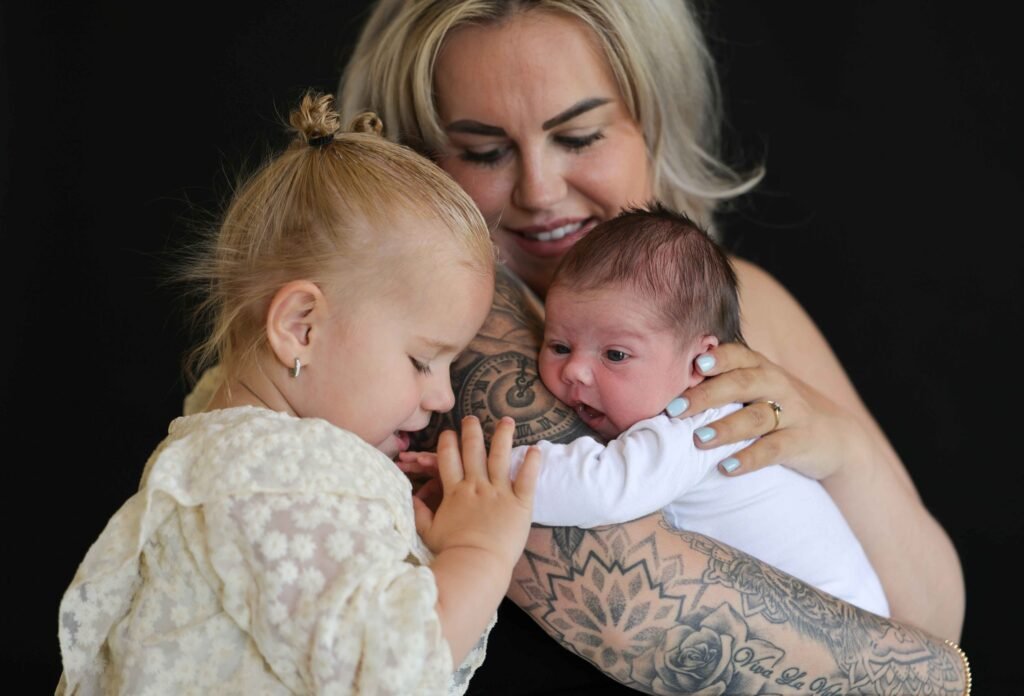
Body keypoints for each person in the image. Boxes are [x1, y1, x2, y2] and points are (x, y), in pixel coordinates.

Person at [337, 1, 970, 694]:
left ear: (653, 123)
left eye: (578, 137)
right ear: (414, 157)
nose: (541, 191)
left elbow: (937, 624)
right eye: (485, 151)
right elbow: (636, 611)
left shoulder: (746, 303)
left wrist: (845, 451)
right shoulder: (421, 329)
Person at [55, 92, 541, 695]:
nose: (442, 396)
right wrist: (480, 550)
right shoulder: (275, 470)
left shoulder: (235, 455)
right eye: (422, 360)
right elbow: (388, 668)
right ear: (300, 327)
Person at [405, 202, 889, 616]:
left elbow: (604, 487)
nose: (575, 371)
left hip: (841, 621)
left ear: (701, 363)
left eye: (615, 355)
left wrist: (481, 476)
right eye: (558, 345)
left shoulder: (698, 422)